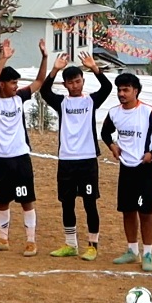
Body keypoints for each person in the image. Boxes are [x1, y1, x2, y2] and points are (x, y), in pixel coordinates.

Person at [41, 52, 113, 262]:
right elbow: (44, 91)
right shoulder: (61, 103)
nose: (75, 85)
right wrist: (54, 69)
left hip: (88, 160)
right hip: (66, 160)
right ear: (65, 85)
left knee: (90, 203)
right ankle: (70, 244)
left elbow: (107, 88)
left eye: (78, 81)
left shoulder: (91, 101)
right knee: (67, 203)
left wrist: (94, 68)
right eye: (70, 82)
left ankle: (92, 245)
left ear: (83, 81)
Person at [101, 73, 152, 272]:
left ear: (136, 91)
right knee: (127, 210)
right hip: (126, 167)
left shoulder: (148, 112)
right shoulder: (114, 113)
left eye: (125, 90)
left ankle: (148, 252)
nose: (121, 94)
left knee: (145, 211)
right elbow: (104, 132)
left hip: (146, 168)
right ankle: (132, 251)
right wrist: (112, 146)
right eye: (119, 90)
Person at [0, 40, 46, 256]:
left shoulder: (20, 98)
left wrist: (45, 58)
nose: (16, 86)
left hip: (20, 158)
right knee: (2, 201)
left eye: (17, 82)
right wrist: (3, 58)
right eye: (11, 82)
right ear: (2, 85)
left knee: (26, 200)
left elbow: (39, 81)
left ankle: (31, 241)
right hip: (0, 158)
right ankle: (3, 239)